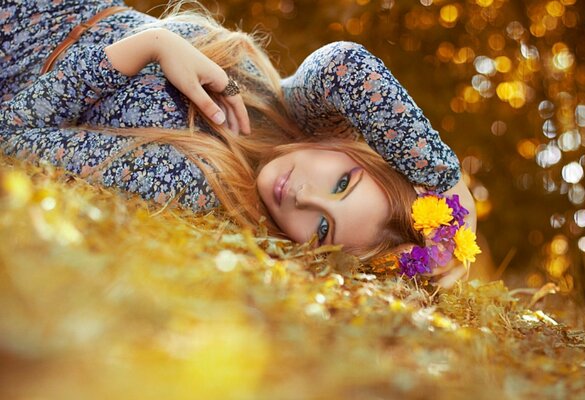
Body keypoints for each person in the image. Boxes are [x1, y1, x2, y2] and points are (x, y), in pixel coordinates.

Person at [0, 0, 476, 286]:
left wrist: (148, 46)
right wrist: (446, 184)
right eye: (341, 184)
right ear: (344, 149)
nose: (302, 197)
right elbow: (345, 68)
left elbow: (11, 137)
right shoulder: (287, 107)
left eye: (321, 230)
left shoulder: (199, 183)